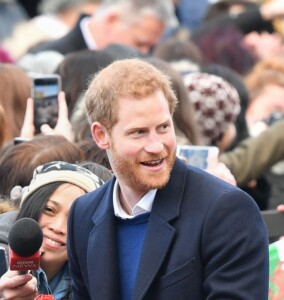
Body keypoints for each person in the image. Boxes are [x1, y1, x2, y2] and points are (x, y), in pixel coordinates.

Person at [67, 58, 269, 299]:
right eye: (139, 132)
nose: (156, 146)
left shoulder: (226, 211)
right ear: (101, 135)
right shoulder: (83, 215)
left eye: (163, 127)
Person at [0, 160, 103, 299]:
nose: (58, 227)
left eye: (74, 217)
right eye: (49, 210)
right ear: (29, 205)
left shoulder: (94, 284)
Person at [28, 0, 177, 56]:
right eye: (140, 43)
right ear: (111, 21)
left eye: (150, 47)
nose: (144, 53)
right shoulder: (50, 59)